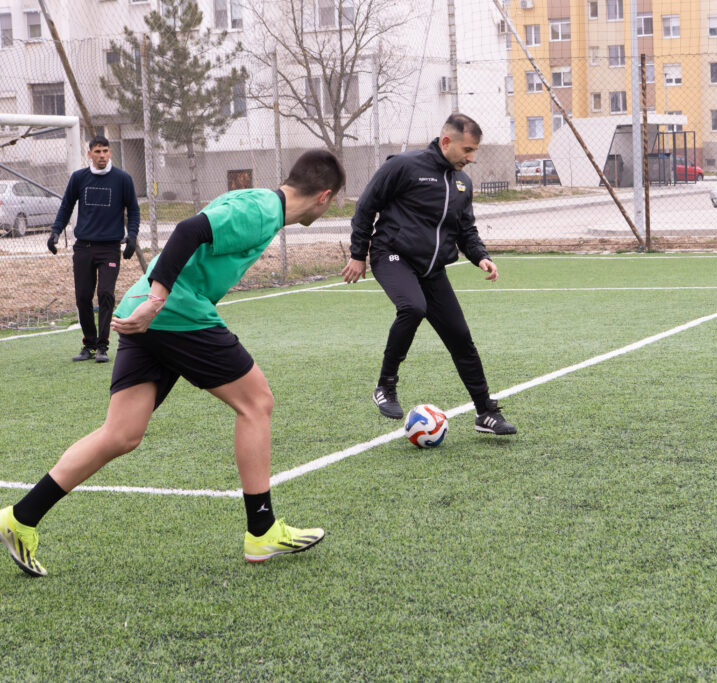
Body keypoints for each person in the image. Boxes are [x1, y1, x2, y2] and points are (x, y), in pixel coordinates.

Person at [1, 150, 344, 577]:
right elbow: (188, 230)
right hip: (174, 311)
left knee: (121, 434)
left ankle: (20, 517)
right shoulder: (261, 211)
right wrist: (157, 300)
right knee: (257, 402)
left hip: (146, 312)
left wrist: (149, 303)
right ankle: (262, 531)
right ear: (324, 197)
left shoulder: (259, 204)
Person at [341, 113, 516, 436]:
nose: (471, 158)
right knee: (413, 307)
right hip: (391, 255)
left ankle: (485, 413)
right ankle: (385, 385)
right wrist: (357, 254)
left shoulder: (462, 183)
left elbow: (466, 230)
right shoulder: (404, 166)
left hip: (431, 269)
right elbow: (366, 206)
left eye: (474, 151)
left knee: (460, 338)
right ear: (446, 141)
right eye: (467, 150)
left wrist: (481, 257)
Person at [48, 135, 141, 363]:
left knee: (106, 294)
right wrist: (55, 232)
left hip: (110, 248)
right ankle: (88, 344)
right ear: (89, 153)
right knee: (82, 297)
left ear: (110, 153)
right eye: (97, 151)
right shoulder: (79, 178)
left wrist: (132, 236)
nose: (102, 155)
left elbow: (134, 210)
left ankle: (102, 346)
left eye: (105, 151)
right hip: (84, 247)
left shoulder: (123, 179)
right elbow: (66, 206)